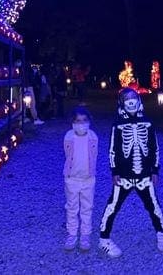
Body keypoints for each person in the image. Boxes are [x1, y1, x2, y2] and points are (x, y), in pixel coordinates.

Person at [98, 87, 163, 258]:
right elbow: (113, 150)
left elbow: (154, 148)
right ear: (121, 103)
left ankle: (161, 234)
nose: (130, 101)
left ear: (139, 101)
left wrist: (155, 170)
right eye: (126, 99)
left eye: (133, 98)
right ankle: (104, 239)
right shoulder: (118, 125)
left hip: (145, 175)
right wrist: (114, 171)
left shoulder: (148, 123)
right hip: (124, 177)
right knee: (113, 206)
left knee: (154, 206)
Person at [63, 106, 98, 251]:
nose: (81, 123)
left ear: (89, 121)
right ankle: (72, 234)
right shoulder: (69, 137)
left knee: (87, 207)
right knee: (71, 207)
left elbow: (94, 155)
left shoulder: (93, 137)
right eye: (78, 120)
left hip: (88, 179)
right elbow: (67, 154)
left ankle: (85, 234)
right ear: (73, 122)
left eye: (84, 120)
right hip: (72, 179)